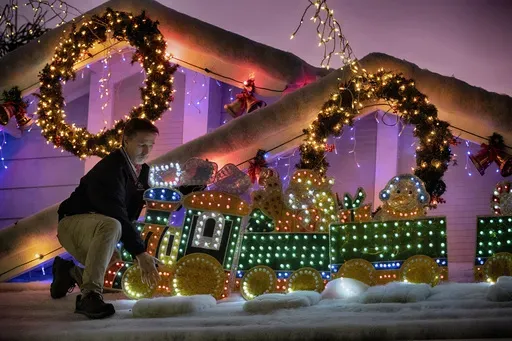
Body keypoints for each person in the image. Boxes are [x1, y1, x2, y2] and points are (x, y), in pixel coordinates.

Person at [51, 118, 162, 319]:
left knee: (114, 270)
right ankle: (90, 296)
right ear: (125, 140)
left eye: (151, 145)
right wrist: (141, 253)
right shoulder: (111, 169)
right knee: (112, 224)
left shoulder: (140, 171)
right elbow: (116, 212)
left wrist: (189, 190)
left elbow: (154, 195)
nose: (147, 151)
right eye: (142, 144)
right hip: (74, 223)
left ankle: (69, 273)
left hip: (100, 227)